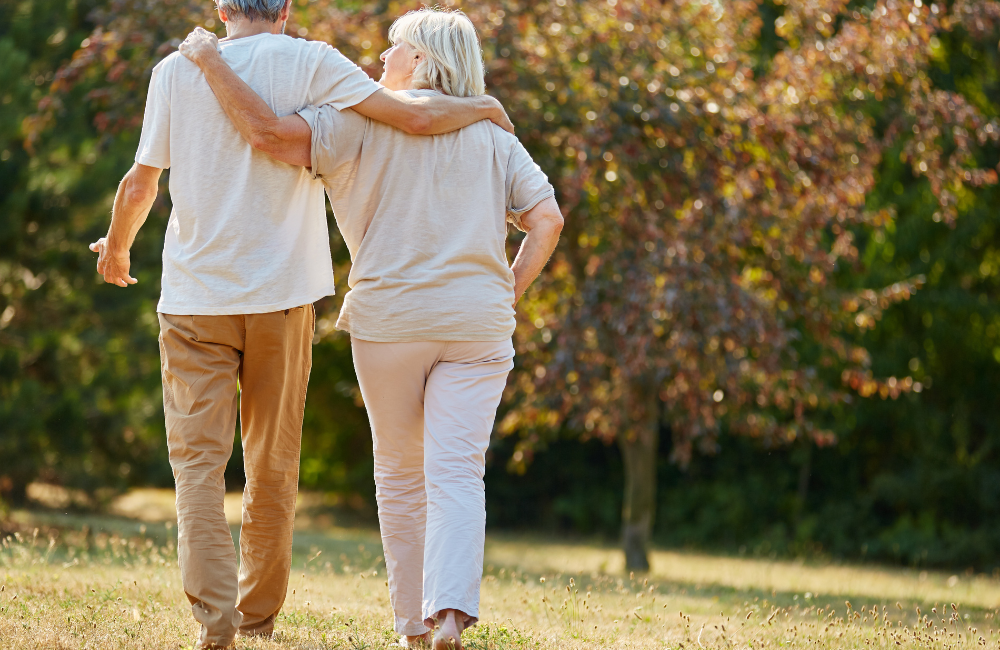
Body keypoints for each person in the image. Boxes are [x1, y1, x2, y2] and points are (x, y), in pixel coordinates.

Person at [88, 0, 515, 646]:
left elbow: (141, 182)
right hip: (282, 296)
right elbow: (410, 113)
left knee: (197, 466)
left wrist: (117, 246)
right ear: (285, 9)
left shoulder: (175, 69)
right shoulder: (315, 62)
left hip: (193, 299)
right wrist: (483, 107)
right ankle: (256, 618)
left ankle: (214, 618)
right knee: (272, 463)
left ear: (223, 7)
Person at [178, 7, 563, 649]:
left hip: (391, 321)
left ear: (418, 59)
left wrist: (212, 65)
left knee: (401, 473)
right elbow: (546, 218)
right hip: (478, 322)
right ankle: (449, 616)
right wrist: (508, 289)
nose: (379, 58)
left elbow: (271, 138)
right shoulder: (494, 131)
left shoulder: (352, 122)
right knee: (460, 471)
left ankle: (411, 625)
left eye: (392, 48)